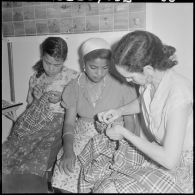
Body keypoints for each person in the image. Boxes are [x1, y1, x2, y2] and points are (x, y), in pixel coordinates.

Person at [87, 30, 193, 193]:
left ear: (148, 70)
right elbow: (147, 101)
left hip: (182, 163)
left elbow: (170, 161)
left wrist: (124, 132)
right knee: (105, 180)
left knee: (111, 188)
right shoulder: (152, 80)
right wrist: (119, 111)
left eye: (130, 77)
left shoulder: (179, 96)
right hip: (161, 151)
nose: (127, 81)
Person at [51, 37, 139, 193]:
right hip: (81, 137)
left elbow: (130, 123)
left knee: (108, 178)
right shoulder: (74, 86)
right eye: (93, 67)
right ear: (83, 64)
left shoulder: (123, 84)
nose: (99, 73)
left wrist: (126, 150)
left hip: (114, 138)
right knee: (65, 171)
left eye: (105, 68)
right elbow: (69, 123)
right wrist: (68, 150)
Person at [2, 37, 79, 193]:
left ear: (64, 61)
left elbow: (78, 105)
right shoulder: (37, 77)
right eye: (47, 62)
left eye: (56, 64)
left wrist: (63, 98)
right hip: (35, 121)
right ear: (42, 57)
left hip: (57, 122)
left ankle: (30, 183)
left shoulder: (72, 76)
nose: (50, 68)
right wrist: (35, 97)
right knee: (13, 151)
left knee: (36, 156)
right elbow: (31, 107)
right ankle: (12, 184)